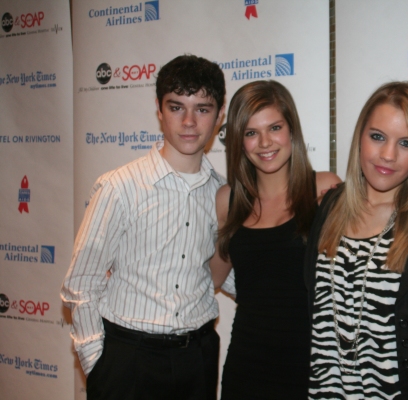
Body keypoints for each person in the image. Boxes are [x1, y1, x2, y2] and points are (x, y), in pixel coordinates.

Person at [61, 55, 226, 400]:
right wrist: (98, 365)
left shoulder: (222, 194)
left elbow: (231, 273)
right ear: (159, 109)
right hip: (128, 361)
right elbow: (82, 282)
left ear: (220, 114)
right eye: (177, 107)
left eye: (203, 108)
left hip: (198, 358)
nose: (190, 121)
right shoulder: (119, 186)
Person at [305, 81, 408, 399]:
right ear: (360, 137)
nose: (387, 155)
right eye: (377, 137)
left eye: (406, 143)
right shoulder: (330, 205)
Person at [210, 80, 340, 399]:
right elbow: (208, 277)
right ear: (239, 140)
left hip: (313, 366)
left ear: (291, 130)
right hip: (247, 365)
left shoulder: (323, 190)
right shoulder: (228, 201)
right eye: (251, 132)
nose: (264, 142)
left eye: (275, 127)